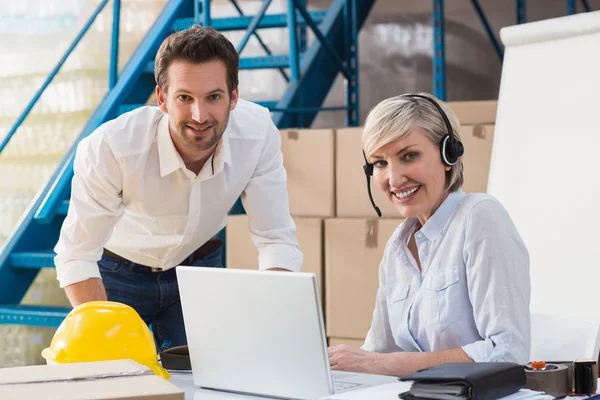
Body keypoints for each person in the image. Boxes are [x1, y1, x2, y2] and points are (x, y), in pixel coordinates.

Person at [53, 25, 302, 349]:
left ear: (234, 96)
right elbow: (76, 255)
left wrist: (275, 319)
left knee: (207, 382)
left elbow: (275, 237)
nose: (200, 116)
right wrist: (101, 341)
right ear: (162, 99)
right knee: (111, 381)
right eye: (185, 97)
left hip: (197, 268)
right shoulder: (113, 148)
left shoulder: (257, 135)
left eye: (214, 97)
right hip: (117, 272)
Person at [328, 93, 530, 376]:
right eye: (380, 163)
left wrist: (382, 364)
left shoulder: (480, 217)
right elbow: (378, 353)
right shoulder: (397, 248)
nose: (394, 179)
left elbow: (507, 351)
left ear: (449, 154)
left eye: (409, 156)